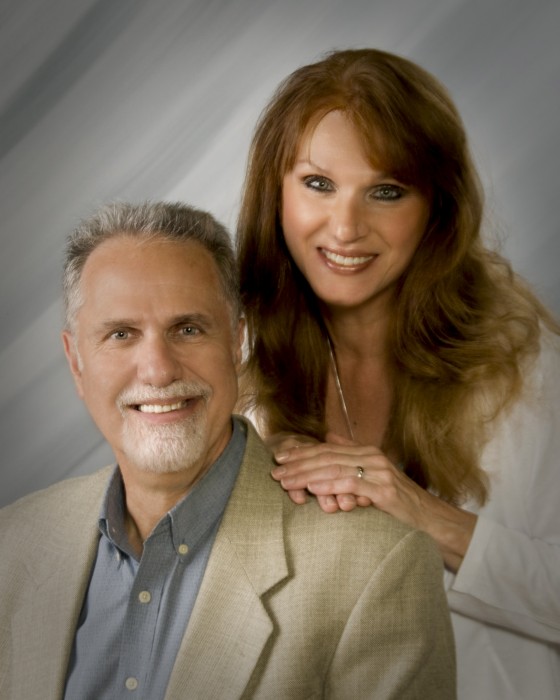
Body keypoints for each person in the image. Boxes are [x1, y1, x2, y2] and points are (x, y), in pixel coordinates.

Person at [0, 201, 455, 700]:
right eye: (121, 334)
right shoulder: (14, 544)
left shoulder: (376, 565)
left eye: (188, 329)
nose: (158, 370)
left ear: (237, 341)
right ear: (76, 361)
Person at [236, 48, 560, 700]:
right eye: (318, 184)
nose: (345, 228)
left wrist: (417, 511)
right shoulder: (233, 371)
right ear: (276, 193)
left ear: (437, 206)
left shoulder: (527, 370)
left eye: (386, 191)